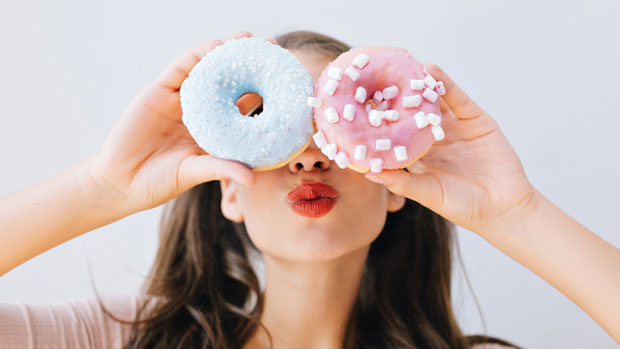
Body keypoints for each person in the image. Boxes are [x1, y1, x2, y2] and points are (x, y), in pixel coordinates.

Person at [0, 30, 618, 349]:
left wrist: (516, 213)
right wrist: (100, 187)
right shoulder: (122, 338)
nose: (310, 159)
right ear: (227, 192)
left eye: (335, 128)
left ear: (399, 186)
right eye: (281, 132)